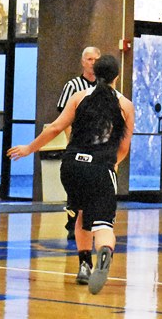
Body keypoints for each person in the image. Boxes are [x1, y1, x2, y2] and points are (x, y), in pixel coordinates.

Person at [8, 55, 134, 295]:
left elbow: (55, 128)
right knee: (103, 224)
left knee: (82, 214)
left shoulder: (79, 97)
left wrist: (28, 148)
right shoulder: (125, 105)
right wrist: (112, 165)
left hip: (72, 165)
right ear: (117, 76)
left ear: (95, 74)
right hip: (100, 166)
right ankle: (104, 251)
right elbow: (124, 147)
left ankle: (84, 266)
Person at [57, 46, 101, 240]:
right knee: (75, 186)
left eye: (95, 59)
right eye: (89, 59)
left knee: (95, 185)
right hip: (78, 144)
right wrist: (70, 141)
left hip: (98, 145)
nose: (92, 63)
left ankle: (92, 222)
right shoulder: (73, 86)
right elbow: (64, 118)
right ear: (83, 62)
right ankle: (71, 224)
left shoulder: (103, 87)